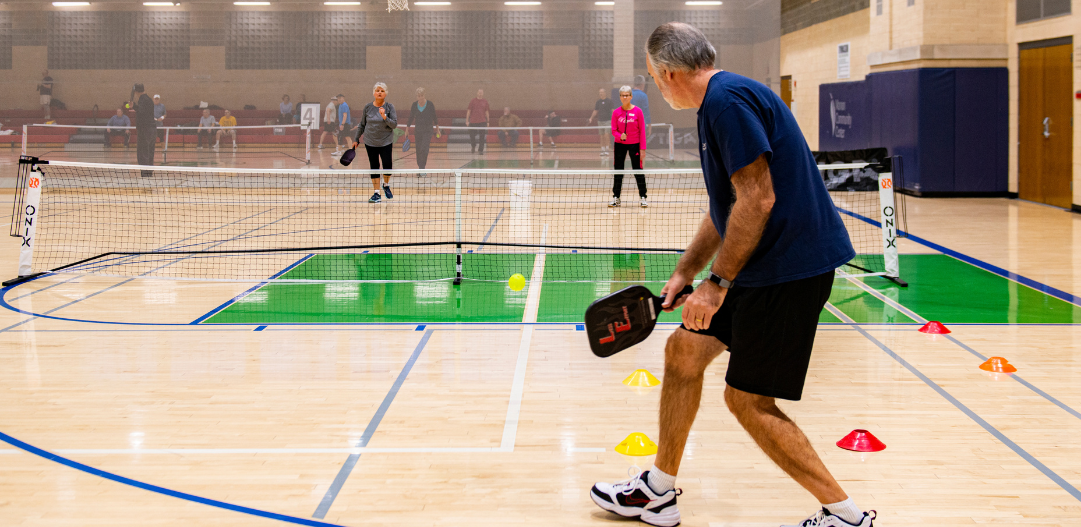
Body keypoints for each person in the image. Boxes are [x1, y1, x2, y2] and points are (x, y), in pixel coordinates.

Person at [589, 23, 874, 527]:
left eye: (655, 78)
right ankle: (658, 491)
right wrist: (686, 272)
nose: (656, 86)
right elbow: (728, 206)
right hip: (765, 264)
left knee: (747, 401)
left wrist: (716, 285)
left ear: (670, 72)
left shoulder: (727, 103)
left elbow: (759, 199)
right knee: (682, 353)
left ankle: (846, 516)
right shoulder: (719, 103)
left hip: (789, 270)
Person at [353, 82, 398, 203]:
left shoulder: (390, 107)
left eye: (382, 91)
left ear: (386, 93)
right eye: (377, 90)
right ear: (374, 93)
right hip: (370, 141)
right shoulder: (368, 107)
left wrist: (384, 116)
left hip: (386, 141)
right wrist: (356, 139)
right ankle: (376, 193)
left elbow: (394, 124)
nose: (379, 92)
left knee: (387, 165)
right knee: (374, 167)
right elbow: (362, 125)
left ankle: (386, 185)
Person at [609, 86, 647, 208]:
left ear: (631, 96)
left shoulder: (638, 112)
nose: (624, 97)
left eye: (627, 95)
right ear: (620, 97)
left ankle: (643, 197)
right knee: (618, 171)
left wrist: (642, 149)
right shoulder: (616, 113)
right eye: (622, 95)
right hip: (620, 145)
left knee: (638, 170)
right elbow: (613, 131)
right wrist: (620, 136)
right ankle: (616, 197)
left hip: (635, 145)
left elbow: (642, 131)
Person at [407, 87, 439, 172]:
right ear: (416, 96)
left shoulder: (430, 104)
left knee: (424, 148)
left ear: (424, 95)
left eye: (421, 95)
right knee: (418, 149)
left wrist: (438, 129)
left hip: (428, 130)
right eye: (418, 96)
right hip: (418, 130)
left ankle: (422, 168)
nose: (420, 97)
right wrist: (407, 129)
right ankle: (420, 168)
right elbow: (411, 117)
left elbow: (434, 117)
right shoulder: (414, 105)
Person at [132, 84, 155, 172]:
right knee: (150, 153)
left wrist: (133, 106)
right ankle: (149, 172)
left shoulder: (142, 99)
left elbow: (141, 112)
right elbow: (142, 110)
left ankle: (145, 173)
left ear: (136, 92)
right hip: (152, 130)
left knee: (143, 153)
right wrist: (132, 106)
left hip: (145, 130)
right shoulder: (149, 99)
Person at [589, 88, 614, 156]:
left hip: (608, 120)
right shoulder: (598, 102)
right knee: (602, 136)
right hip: (600, 121)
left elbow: (613, 110)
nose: (600, 94)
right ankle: (602, 149)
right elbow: (595, 111)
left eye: (602, 92)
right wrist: (591, 118)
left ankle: (607, 149)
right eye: (599, 92)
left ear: (605, 93)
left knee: (606, 135)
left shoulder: (609, 101)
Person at [466, 89, 489, 154]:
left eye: (481, 93)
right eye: (479, 93)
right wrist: (467, 120)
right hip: (473, 122)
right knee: (472, 135)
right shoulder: (473, 101)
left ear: (483, 94)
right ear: (477, 93)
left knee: (482, 136)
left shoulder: (485, 101)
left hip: (482, 121)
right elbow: (469, 111)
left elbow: (487, 112)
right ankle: (473, 146)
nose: (480, 94)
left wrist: (488, 121)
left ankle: (480, 150)